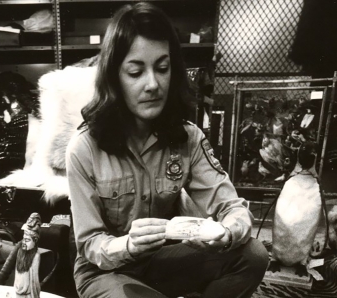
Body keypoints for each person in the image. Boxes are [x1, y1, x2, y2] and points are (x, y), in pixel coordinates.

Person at [65, 2, 269, 298]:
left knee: (253, 255)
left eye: (162, 68)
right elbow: (90, 244)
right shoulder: (83, 148)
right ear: (114, 78)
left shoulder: (188, 137)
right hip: (105, 272)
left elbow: (232, 207)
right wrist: (128, 245)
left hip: (162, 263)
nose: (153, 84)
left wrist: (226, 234)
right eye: (135, 72)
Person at [14, 213, 41, 298]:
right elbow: (16, 275)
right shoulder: (20, 252)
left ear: (35, 241)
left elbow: (34, 282)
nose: (24, 243)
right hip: (18, 293)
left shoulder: (36, 256)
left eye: (28, 240)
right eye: (23, 239)